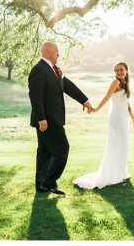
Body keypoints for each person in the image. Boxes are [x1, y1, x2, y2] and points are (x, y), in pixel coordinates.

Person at [28, 41, 92, 196]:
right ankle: (48, 182)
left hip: (52, 120)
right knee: (62, 149)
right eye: (57, 51)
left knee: (45, 153)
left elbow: (68, 86)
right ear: (49, 51)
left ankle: (41, 185)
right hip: (47, 121)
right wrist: (41, 119)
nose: (58, 54)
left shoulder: (54, 70)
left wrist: (84, 100)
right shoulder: (39, 70)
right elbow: (35, 96)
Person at [73, 61, 134, 189]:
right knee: (116, 144)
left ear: (127, 70)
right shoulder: (116, 82)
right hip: (116, 119)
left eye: (121, 70)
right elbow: (107, 97)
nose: (118, 72)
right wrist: (96, 109)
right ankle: (114, 174)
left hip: (123, 118)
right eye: (116, 70)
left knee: (122, 145)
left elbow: (127, 104)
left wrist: (133, 120)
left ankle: (121, 172)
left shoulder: (126, 84)